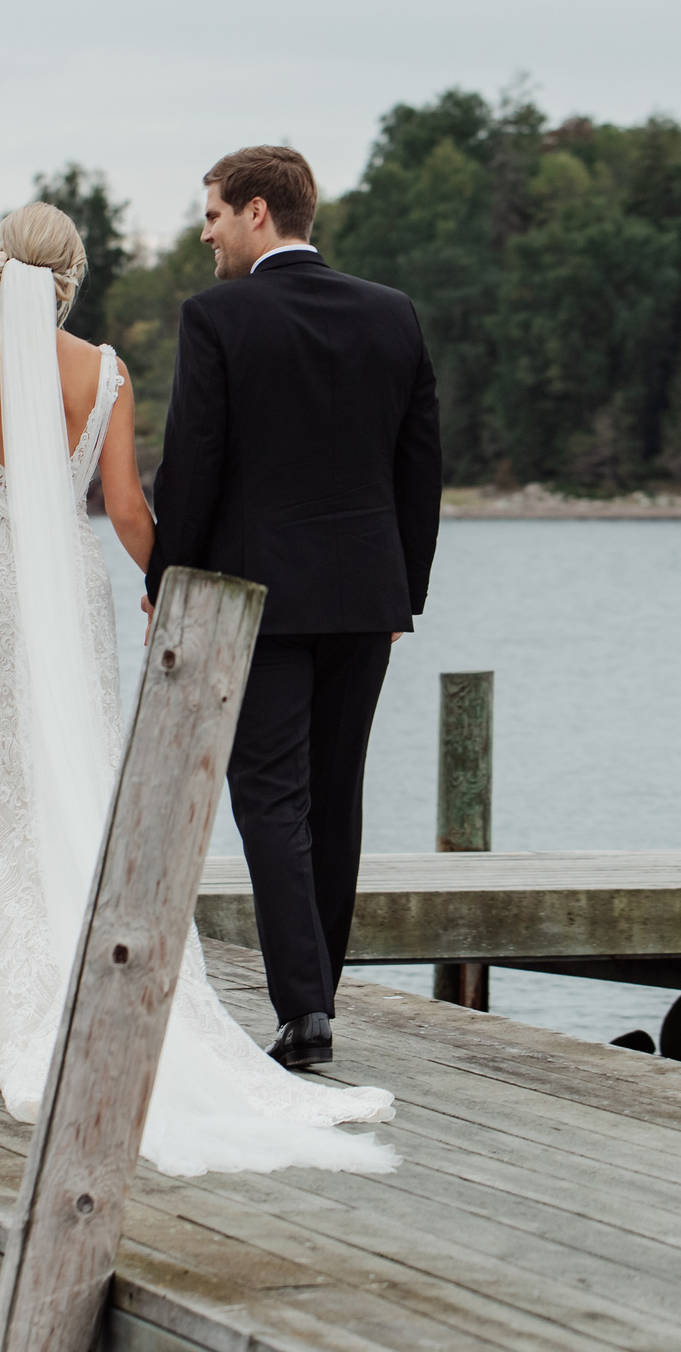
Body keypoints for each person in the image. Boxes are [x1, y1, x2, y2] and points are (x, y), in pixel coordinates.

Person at [0, 200, 394, 1177]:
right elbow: (122, 505)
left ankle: (22, 1001)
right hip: (69, 583)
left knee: (0, 788)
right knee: (79, 770)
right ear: (69, 275)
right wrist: (165, 590)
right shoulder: (102, 369)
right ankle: (96, 978)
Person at [146, 146, 442, 1070]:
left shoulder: (219, 317)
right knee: (335, 793)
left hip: (261, 598)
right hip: (366, 594)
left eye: (214, 215)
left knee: (268, 796)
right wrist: (407, 593)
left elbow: (194, 461)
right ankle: (318, 997)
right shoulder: (391, 314)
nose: (205, 234)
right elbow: (419, 465)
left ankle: (304, 1007)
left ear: (260, 212)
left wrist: (167, 580)